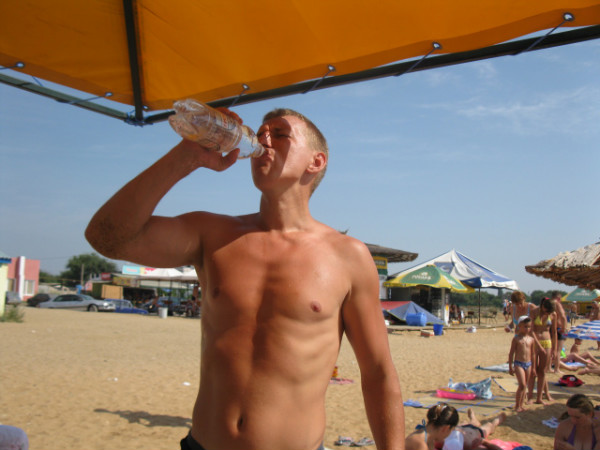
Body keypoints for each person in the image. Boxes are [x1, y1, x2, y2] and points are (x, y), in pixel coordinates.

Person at [85, 108, 405, 450]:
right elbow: (107, 238)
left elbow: (378, 372)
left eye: (279, 134)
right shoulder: (212, 234)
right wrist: (186, 157)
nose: (263, 138)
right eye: (261, 131)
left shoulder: (347, 256)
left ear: (316, 161)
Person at [528, 297, 557, 405]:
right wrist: (539, 345)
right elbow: (531, 330)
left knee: (543, 371)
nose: (548, 313)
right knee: (533, 371)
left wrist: (555, 349)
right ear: (543, 306)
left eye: (549, 312)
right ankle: (530, 396)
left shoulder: (553, 314)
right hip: (535, 341)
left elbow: (554, 332)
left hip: (547, 341)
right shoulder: (534, 311)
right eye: (546, 311)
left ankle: (539, 397)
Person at [442, 408, 507, 450]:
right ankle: (496, 421)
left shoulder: (441, 441)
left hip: (461, 427)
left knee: (468, 423)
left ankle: (473, 418)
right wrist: (485, 442)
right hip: (476, 432)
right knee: (490, 426)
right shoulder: (470, 446)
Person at [508, 316, 534, 412]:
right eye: (525, 327)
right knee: (522, 384)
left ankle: (521, 405)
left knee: (525, 385)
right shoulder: (516, 339)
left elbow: (533, 354)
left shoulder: (531, 339)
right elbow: (511, 353)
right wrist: (510, 366)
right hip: (519, 363)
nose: (527, 329)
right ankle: (517, 405)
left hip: (528, 363)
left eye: (529, 327)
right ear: (520, 326)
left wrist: (534, 367)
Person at [551, 291, 569, 374]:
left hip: (550, 328)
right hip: (558, 328)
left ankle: (548, 367)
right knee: (558, 350)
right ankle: (556, 369)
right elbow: (563, 316)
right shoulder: (557, 304)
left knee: (551, 349)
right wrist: (564, 328)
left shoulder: (549, 304)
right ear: (558, 298)